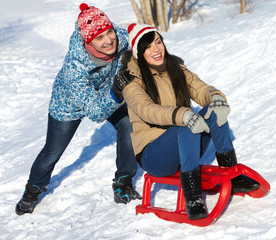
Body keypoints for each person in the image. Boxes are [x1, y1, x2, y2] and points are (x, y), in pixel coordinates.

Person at [112, 23, 260, 220]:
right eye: (148, 46)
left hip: (184, 143)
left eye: (158, 42)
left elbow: (199, 88)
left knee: (213, 111)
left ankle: (231, 173)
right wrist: (182, 115)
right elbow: (147, 110)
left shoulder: (175, 67)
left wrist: (215, 97)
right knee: (186, 125)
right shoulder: (132, 80)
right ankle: (193, 197)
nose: (156, 49)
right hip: (154, 155)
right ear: (139, 52)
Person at [15, 3, 142, 216]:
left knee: (129, 125)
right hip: (68, 106)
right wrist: (116, 92)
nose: (109, 40)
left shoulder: (119, 38)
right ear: (88, 41)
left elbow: (140, 37)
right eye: (100, 38)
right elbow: (95, 113)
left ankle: (123, 182)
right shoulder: (74, 66)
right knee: (51, 152)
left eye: (109, 32)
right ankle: (33, 189)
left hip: (108, 93)